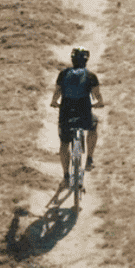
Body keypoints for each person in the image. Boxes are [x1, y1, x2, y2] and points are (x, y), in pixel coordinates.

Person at [51, 46, 105, 185]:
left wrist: (54, 102)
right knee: (93, 126)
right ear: (86, 60)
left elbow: (57, 92)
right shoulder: (91, 76)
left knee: (64, 143)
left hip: (66, 113)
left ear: (72, 59)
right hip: (84, 112)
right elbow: (97, 95)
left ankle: (66, 175)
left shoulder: (63, 74)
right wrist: (99, 103)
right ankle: (89, 159)